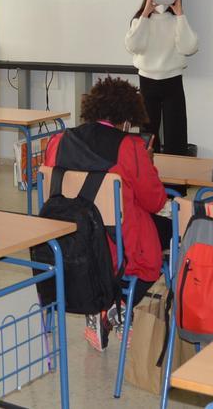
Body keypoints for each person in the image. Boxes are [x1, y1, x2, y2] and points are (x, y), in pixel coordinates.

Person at [42, 77, 168, 352]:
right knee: (157, 240)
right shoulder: (130, 146)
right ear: (126, 119)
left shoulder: (57, 141)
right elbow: (156, 200)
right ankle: (118, 305)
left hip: (67, 242)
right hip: (116, 246)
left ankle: (101, 306)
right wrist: (146, 163)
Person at [124, 0, 199, 156]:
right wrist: (146, 13)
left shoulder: (176, 20)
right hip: (147, 82)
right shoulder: (141, 20)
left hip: (172, 81)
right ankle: (149, 181)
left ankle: (177, 183)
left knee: (176, 136)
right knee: (148, 138)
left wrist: (179, 12)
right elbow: (134, 46)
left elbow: (189, 47)